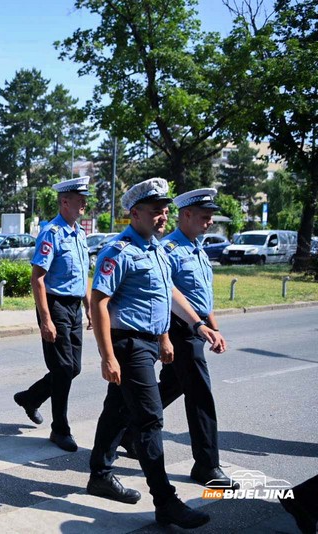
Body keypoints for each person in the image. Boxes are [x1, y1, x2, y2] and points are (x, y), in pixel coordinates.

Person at [87, 178, 225, 529]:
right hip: (127, 343)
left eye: (165, 210)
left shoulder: (157, 249)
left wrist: (182, 331)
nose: (163, 216)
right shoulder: (119, 251)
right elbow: (98, 302)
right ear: (135, 214)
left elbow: (166, 296)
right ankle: (165, 501)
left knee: (118, 407)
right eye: (155, 211)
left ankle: (100, 473)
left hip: (150, 340)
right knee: (150, 421)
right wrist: (107, 356)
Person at [153, 188, 235, 488]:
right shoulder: (170, 249)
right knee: (200, 393)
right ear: (185, 215)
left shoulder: (197, 247)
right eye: (204, 216)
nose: (209, 222)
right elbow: (167, 295)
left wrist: (214, 327)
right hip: (179, 329)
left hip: (198, 327)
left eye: (211, 217)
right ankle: (206, 465)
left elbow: (203, 296)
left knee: (174, 384)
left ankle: (127, 429)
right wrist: (192, 329)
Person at [13, 176, 92, 453]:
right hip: (55, 305)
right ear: (64, 201)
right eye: (79, 198)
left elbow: (83, 275)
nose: (84, 202)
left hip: (74, 307)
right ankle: (60, 429)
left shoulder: (79, 234)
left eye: (85, 197)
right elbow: (38, 279)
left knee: (74, 368)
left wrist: (90, 306)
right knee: (63, 369)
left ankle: (30, 398)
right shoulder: (52, 233)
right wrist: (45, 318)